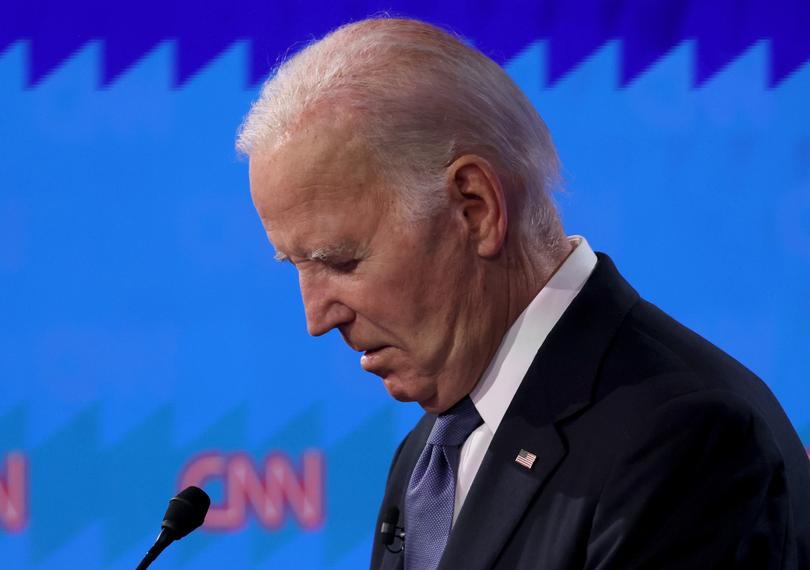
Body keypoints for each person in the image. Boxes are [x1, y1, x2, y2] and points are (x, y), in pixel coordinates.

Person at [237, 17, 810, 570]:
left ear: (475, 208)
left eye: (340, 260)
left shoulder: (688, 438)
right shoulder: (429, 453)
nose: (315, 317)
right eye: (294, 265)